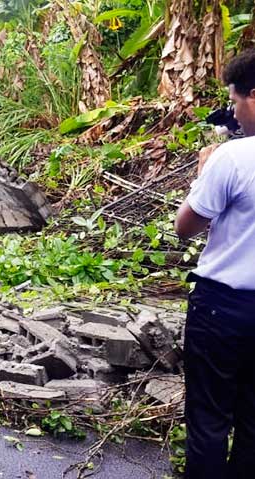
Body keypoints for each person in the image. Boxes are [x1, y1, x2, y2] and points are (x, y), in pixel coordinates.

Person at [174, 50, 255, 478]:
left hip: (223, 308)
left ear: (254, 96)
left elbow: (185, 226)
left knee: (208, 420)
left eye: (235, 101)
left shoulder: (233, 157)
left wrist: (202, 175)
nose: (234, 113)